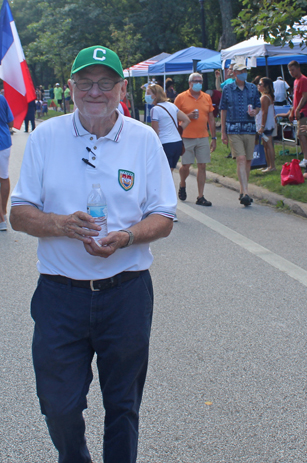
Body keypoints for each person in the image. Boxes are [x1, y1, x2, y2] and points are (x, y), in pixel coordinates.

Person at [10, 45, 177, 463]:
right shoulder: (47, 136)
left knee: (123, 406)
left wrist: (127, 237)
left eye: (105, 83)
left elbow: (164, 215)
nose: (95, 92)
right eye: (85, 83)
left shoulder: (143, 139)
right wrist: (59, 225)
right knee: (59, 406)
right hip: (60, 295)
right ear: (71, 88)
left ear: (122, 88)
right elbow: (18, 213)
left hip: (126, 294)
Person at [220, 63, 261, 206]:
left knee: (248, 160)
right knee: (241, 158)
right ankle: (246, 192)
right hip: (234, 128)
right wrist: (223, 131)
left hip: (249, 128)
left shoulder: (252, 88)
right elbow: (223, 109)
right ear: (235, 73)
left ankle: (243, 190)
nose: (244, 73)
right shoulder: (227, 88)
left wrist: (255, 112)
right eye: (241, 71)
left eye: (245, 70)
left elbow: (258, 105)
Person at [175, 72, 217, 206]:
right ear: (190, 83)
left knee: (202, 165)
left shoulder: (206, 97)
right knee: (186, 166)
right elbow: (174, 117)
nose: (198, 83)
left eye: (200, 81)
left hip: (203, 136)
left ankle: (200, 196)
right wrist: (188, 115)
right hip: (186, 136)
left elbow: (211, 118)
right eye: (195, 81)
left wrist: (214, 137)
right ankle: (182, 183)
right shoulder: (181, 97)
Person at [147, 83, 190, 174]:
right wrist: (179, 130)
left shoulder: (155, 109)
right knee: (169, 172)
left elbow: (155, 132)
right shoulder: (172, 106)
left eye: (148, 93)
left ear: (155, 95)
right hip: (177, 143)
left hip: (165, 143)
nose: (146, 96)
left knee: (163, 174)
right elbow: (186, 120)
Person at [283, 60, 307, 168]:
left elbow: (305, 96)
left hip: (304, 111)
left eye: (293, 70)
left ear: (298, 68)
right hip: (298, 111)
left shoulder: (303, 80)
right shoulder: (295, 81)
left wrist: (298, 109)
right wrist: (292, 110)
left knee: (302, 134)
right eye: (290, 71)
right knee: (302, 135)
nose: (291, 72)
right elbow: (296, 98)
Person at [256, 77, 276, 172]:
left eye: (260, 84)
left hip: (266, 124)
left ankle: (272, 165)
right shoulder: (267, 96)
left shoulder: (265, 97)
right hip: (267, 123)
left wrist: (262, 126)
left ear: (266, 86)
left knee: (268, 144)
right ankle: (267, 164)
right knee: (265, 144)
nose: (258, 86)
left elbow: (264, 112)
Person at [0, 93, 14, 231]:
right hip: (3, 142)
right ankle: (3, 212)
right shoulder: (1, 98)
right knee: (3, 177)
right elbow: (11, 122)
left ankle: (1, 219)